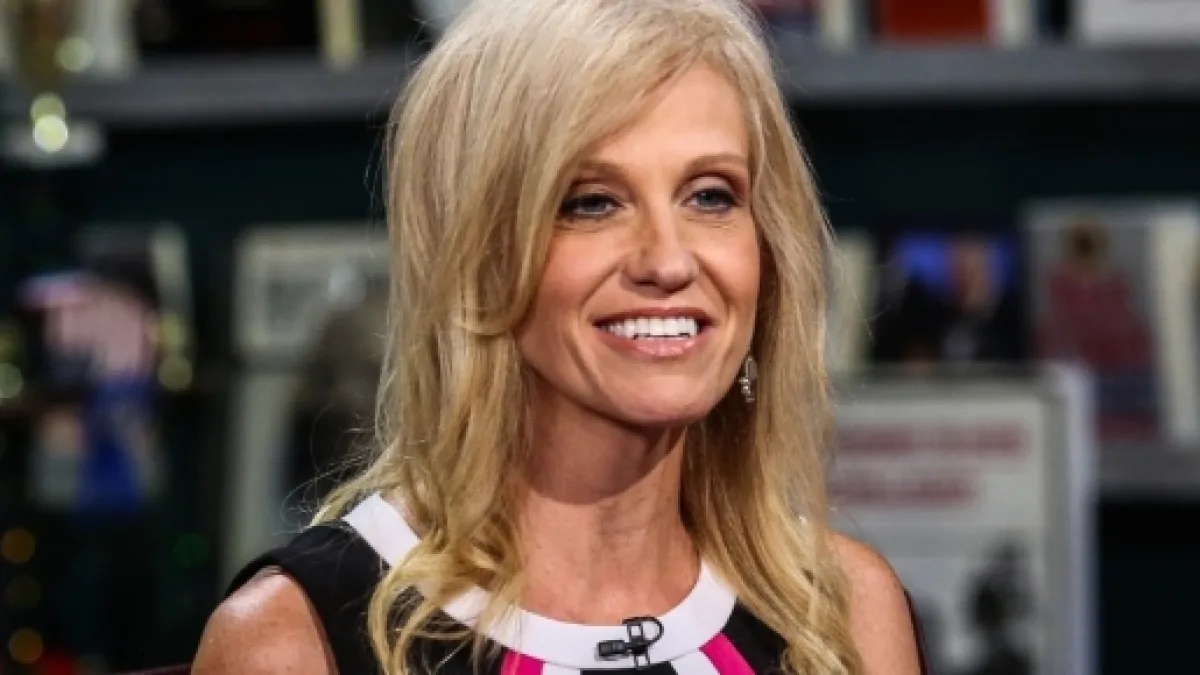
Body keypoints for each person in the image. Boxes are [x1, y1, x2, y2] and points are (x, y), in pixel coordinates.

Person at [194, 0, 923, 673]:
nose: (669, 261)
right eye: (592, 202)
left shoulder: (844, 613)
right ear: (475, 252)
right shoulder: (294, 640)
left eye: (710, 195)